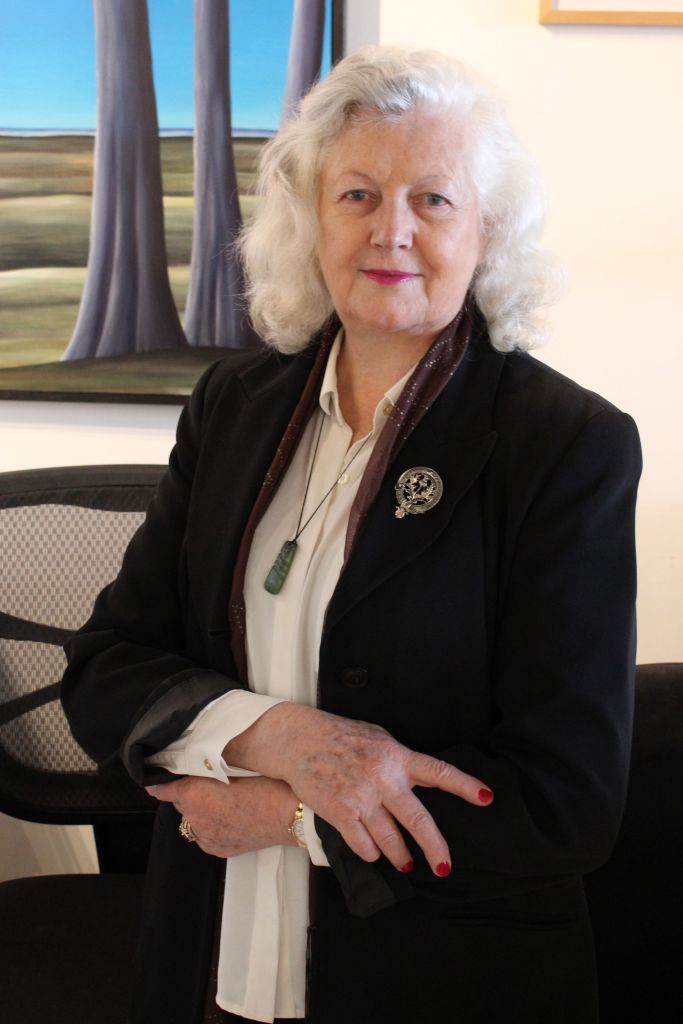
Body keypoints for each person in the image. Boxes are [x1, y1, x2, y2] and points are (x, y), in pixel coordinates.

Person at [61, 46, 641, 1024]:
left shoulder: (565, 444)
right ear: (312, 219)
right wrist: (272, 733)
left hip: (437, 978)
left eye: (432, 199)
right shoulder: (233, 404)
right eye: (357, 194)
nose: (390, 231)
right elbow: (104, 668)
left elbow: (565, 802)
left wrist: (293, 817)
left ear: (488, 229)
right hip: (206, 958)